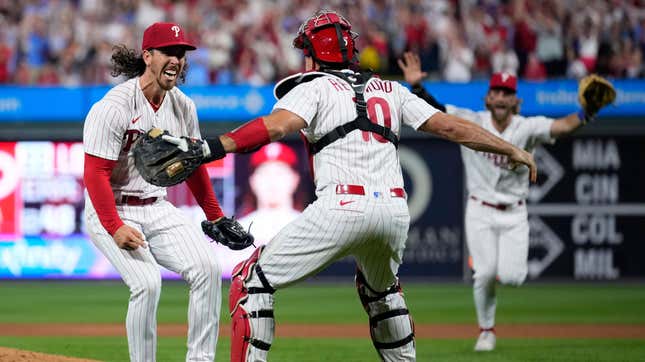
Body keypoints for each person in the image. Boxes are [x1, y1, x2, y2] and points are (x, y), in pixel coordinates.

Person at [166, 10, 536, 362]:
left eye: (305, 52)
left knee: (250, 281)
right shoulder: (390, 89)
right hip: (394, 213)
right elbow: (452, 127)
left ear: (313, 55)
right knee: (383, 293)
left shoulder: (314, 87)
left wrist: (209, 147)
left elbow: (275, 127)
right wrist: (511, 148)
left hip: (341, 207)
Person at [398, 51, 596, 352]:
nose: (501, 97)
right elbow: (435, 111)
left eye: (507, 93)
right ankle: (486, 330)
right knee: (485, 273)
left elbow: (563, 126)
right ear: (487, 98)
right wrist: (417, 87)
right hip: (479, 208)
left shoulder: (526, 127)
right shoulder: (471, 120)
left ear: (516, 101)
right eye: (496, 92)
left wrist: (585, 113)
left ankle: (490, 285)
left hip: (515, 213)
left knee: (514, 277)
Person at [82, 22, 224, 362]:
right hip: (111, 206)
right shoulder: (115, 106)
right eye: (169, 53)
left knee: (208, 268)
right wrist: (115, 227)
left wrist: (215, 214)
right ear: (148, 56)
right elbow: (95, 174)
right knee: (147, 284)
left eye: (181, 54)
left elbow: (192, 164)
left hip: (156, 206)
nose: (177, 60)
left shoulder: (183, 106)